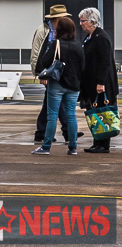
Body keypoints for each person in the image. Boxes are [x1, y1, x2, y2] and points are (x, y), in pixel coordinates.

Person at [33, 15, 84, 155]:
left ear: (59, 29)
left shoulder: (56, 44)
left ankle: (46, 146)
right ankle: (73, 147)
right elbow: (82, 66)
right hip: (73, 86)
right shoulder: (78, 45)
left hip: (57, 84)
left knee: (52, 116)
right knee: (71, 115)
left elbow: (44, 61)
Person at [78, 7, 117, 154]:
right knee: (95, 112)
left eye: (83, 21)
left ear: (92, 21)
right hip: (91, 83)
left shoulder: (101, 37)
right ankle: (98, 142)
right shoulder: (90, 37)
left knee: (102, 112)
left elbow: (105, 62)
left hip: (101, 84)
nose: (80, 23)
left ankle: (103, 144)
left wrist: (101, 82)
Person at [31, 4, 72, 143]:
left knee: (50, 102)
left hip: (59, 72)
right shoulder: (43, 31)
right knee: (58, 100)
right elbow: (37, 53)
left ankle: (41, 133)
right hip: (48, 72)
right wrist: (40, 73)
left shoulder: (61, 31)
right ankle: (67, 131)